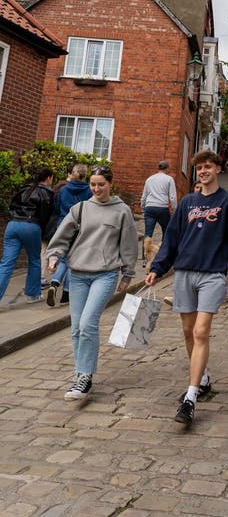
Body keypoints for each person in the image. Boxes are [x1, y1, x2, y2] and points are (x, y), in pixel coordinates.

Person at [145, 149, 228, 426]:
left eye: (208, 167)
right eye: (199, 168)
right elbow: (171, 240)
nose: (203, 172)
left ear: (218, 169)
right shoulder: (188, 203)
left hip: (213, 275)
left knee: (201, 331)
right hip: (184, 274)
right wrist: (156, 269)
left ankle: (191, 396)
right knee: (188, 331)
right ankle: (204, 378)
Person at [46, 165, 138, 400]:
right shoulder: (81, 208)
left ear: (110, 184)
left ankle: (85, 376)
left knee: (88, 323)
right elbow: (62, 235)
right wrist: (55, 255)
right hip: (77, 274)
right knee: (76, 327)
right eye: (93, 184)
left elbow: (128, 244)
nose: (96, 188)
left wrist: (127, 274)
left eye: (101, 184)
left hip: (104, 274)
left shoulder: (122, 211)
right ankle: (79, 375)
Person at [0, 167, 54, 306]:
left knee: (6, 263)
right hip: (31, 225)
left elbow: (11, 206)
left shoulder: (23, 189)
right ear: (48, 178)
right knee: (35, 260)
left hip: (13, 224)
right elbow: (46, 215)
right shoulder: (47, 193)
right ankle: (32, 294)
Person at [46, 164, 93, 307]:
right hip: (80, 227)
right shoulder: (89, 191)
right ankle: (66, 294)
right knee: (73, 261)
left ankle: (54, 283)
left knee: (63, 258)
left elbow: (58, 207)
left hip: (63, 225)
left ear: (72, 174)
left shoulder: (64, 190)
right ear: (85, 176)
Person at [140, 160, 177, 266]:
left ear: (158, 168)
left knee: (147, 234)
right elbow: (173, 197)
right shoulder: (169, 179)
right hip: (162, 208)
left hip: (150, 207)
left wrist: (143, 208)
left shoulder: (149, 179)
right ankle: (162, 256)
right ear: (167, 169)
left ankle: (145, 259)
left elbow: (144, 196)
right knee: (166, 231)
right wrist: (175, 211)